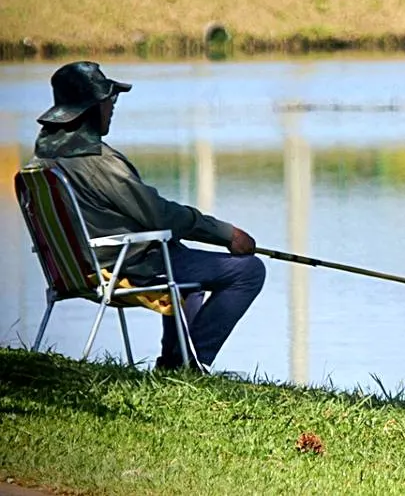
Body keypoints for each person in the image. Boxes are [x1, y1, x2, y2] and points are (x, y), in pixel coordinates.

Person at [29, 61, 265, 371]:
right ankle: (191, 365)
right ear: (89, 109)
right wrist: (226, 234)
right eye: (108, 101)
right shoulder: (94, 161)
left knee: (181, 263)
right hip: (122, 266)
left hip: (78, 267)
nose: (112, 107)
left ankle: (176, 362)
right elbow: (159, 216)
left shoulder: (43, 158)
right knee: (248, 271)